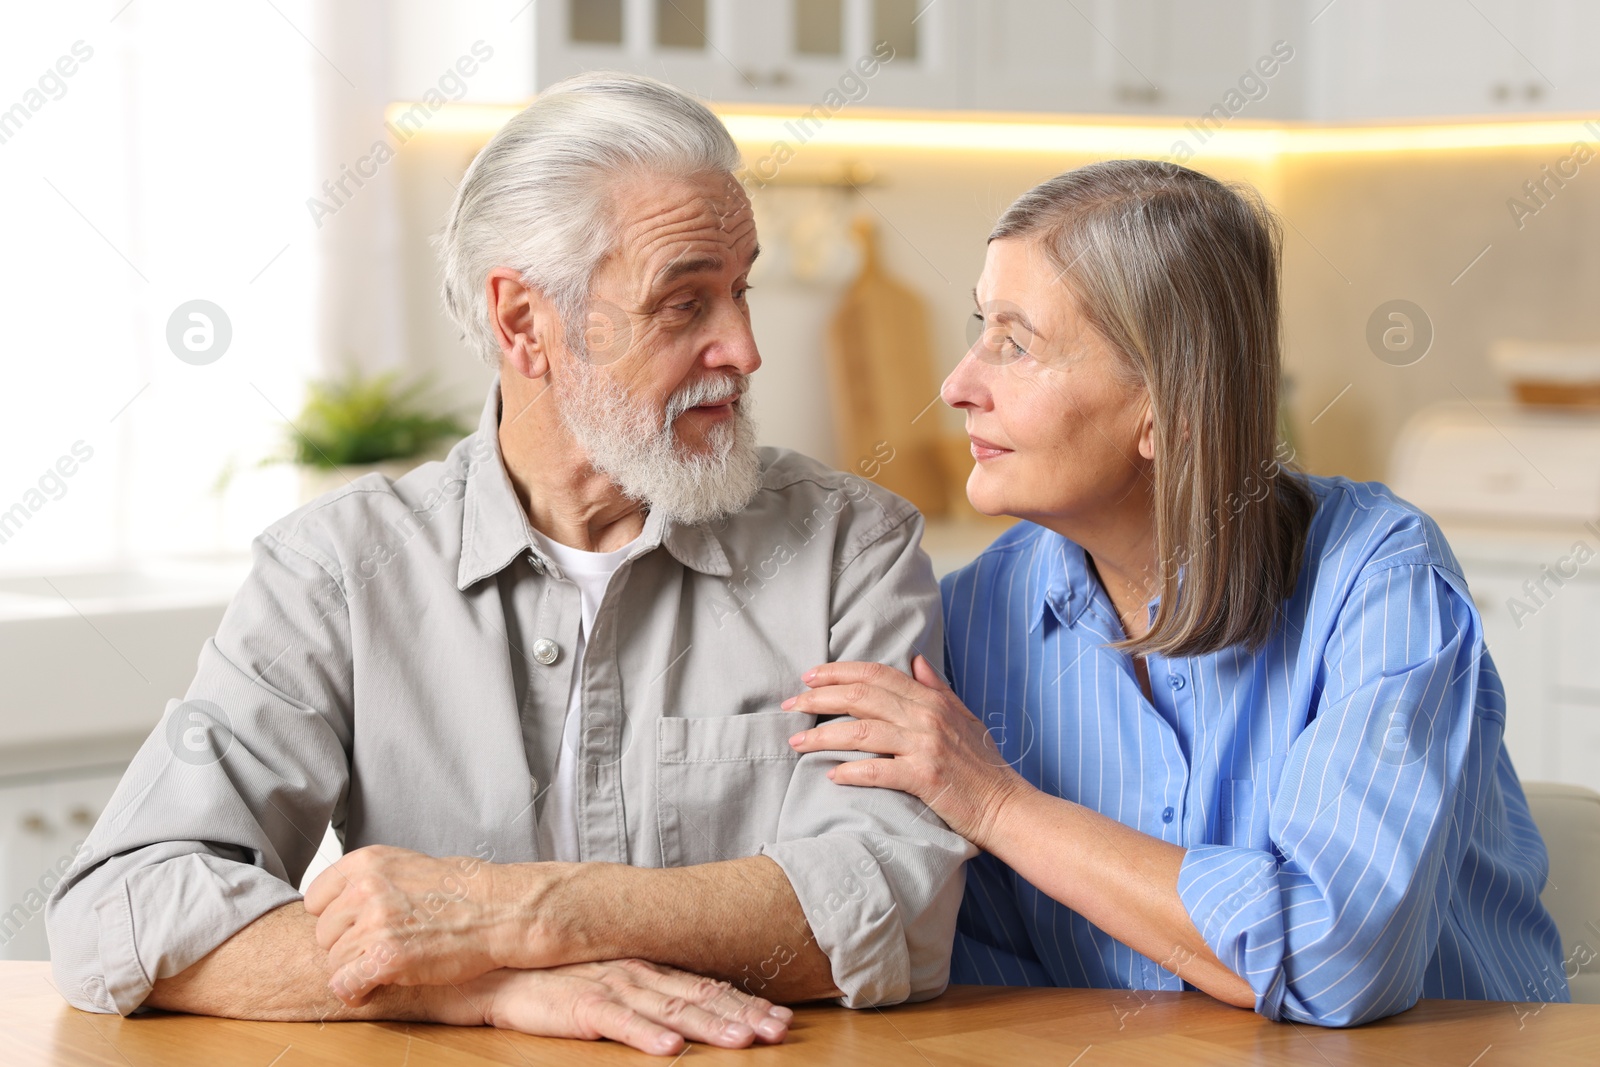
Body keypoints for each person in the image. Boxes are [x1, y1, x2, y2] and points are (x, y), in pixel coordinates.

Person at [45, 72, 972, 1056]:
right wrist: (474, 990)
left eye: (738, 289)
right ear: (523, 322)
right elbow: (120, 907)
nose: (743, 347)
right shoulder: (337, 569)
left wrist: (512, 914)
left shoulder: (849, 549)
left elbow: (892, 909)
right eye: (684, 301)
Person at [782, 159, 1569, 1027]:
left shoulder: (1379, 581)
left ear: (1164, 405)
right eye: (981, 327)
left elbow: (1337, 958)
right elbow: (967, 969)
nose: (957, 385)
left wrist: (999, 803)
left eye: (1016, 343)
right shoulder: (969, 621)